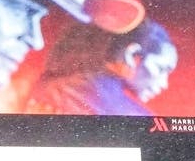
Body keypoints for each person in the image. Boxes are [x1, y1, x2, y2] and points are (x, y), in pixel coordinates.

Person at [26, 18, 177, 115]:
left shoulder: (49, 84)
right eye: (161, 69)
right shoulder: (136, 117)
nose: (164, 84)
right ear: (132, 55)